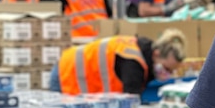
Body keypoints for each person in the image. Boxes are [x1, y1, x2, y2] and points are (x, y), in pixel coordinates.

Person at [50, 28, 186, 95]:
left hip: (70, 68)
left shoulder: (139, 51)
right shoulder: (133, 64)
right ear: (156, 54)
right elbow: (130, 101)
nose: (167, 74)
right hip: (67, 75)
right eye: (167, 69)